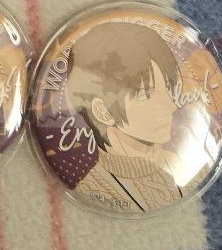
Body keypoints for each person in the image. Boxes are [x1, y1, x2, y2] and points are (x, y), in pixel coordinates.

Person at [69, 22, 196, 211]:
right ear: (102, 111)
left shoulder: (191, 168)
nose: (171, 105)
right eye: (146, 94)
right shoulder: (93, 187)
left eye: (169, 88)